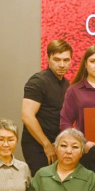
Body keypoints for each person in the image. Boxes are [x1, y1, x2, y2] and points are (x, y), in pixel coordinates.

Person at [21, 39, 73, 176]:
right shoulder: (38, 81)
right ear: (48, 58)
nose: (62, 64)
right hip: (38, 146)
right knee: (43, 182)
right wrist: (46, 144)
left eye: (66, 60)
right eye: (57, 59)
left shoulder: (66, 84)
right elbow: (27, 116)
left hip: (56, 145)